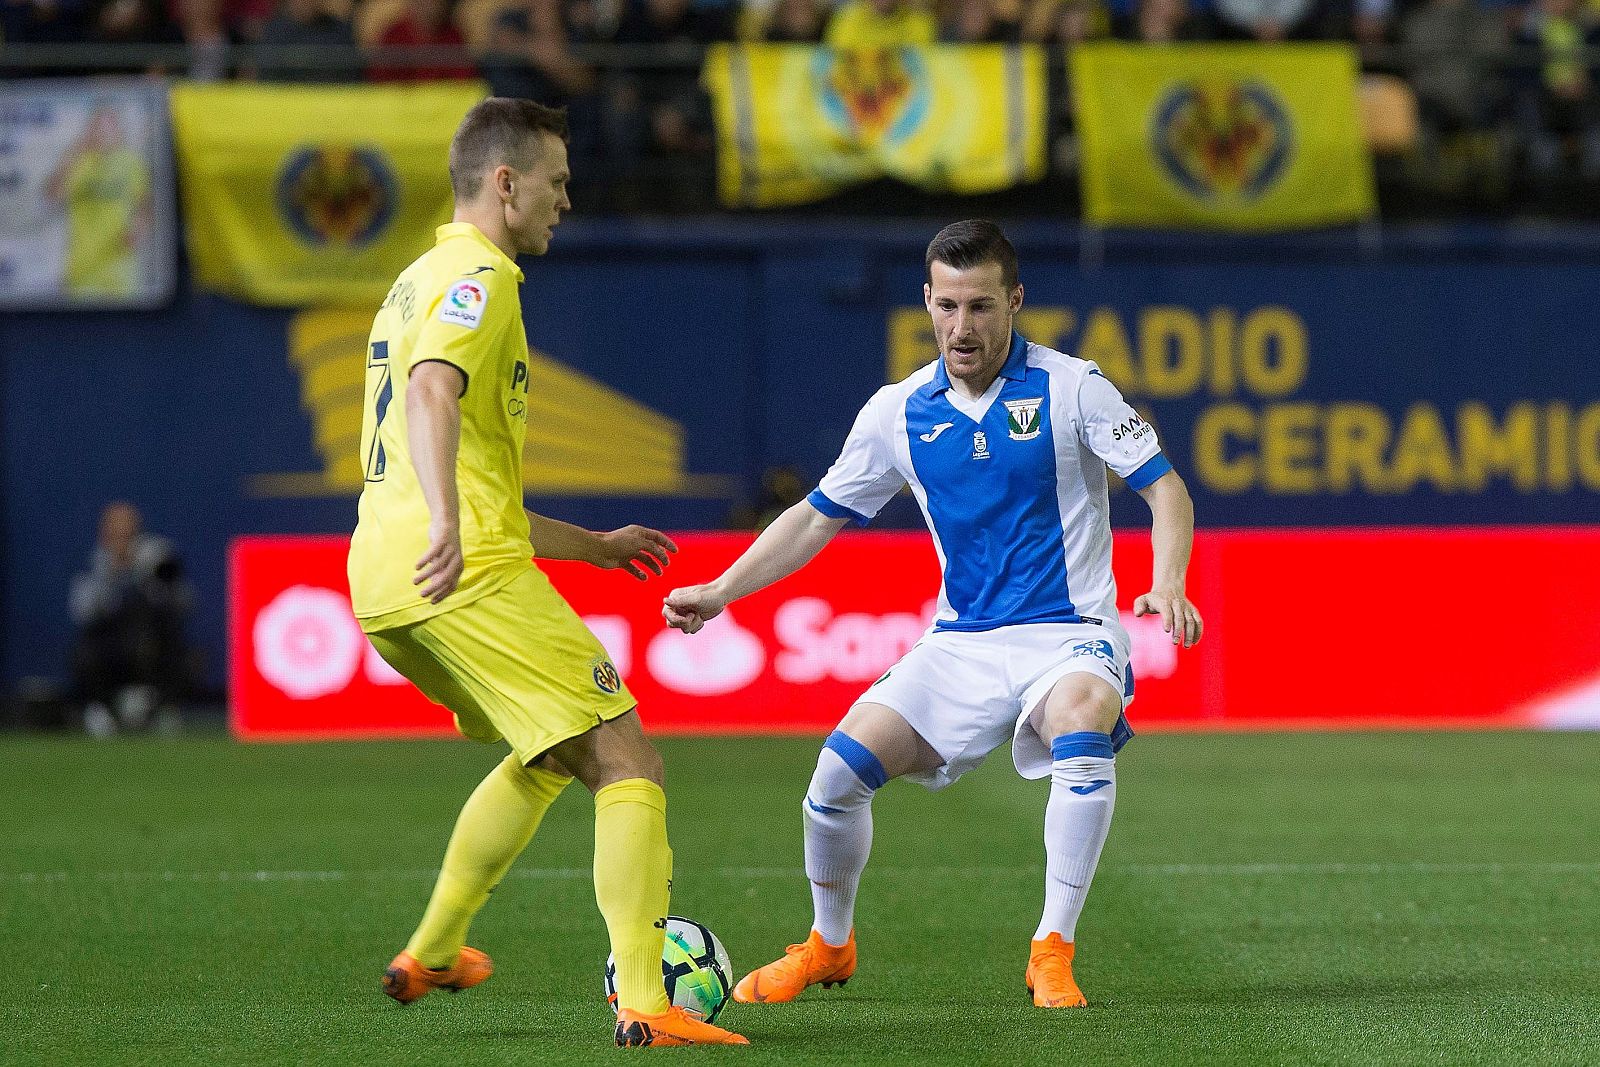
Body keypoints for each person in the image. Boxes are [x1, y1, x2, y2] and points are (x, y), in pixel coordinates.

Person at [664, 219, 1203, 1009]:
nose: (962, 327)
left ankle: (1052, 949)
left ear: (1015, 301)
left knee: (1085, 722)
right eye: (946, 306)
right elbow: (815, 517)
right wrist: (719, 590)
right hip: (961, 644)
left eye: (981, 306)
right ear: (926, 300)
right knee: (836, 776)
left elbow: (1166, 489)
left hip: (1070, 635)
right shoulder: (897, 411)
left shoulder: (1074, 386)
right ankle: (829, 944)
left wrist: (1170, 581)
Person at [347, 98, 747, 1048]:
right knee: (625, 756)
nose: (567, 201)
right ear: (506, 183)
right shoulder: (481, 277)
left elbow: (464, 465)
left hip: (385, 577)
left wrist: (597, 547)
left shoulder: (413, 280)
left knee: (549, 752)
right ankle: (649, 1000)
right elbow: (432, 391)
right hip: (461, 567)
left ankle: (434, 948)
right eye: (559, 184)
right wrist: (448, 520)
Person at [69, 501, 192, 735]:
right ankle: (102, 710)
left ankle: (162, 709)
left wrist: (150, 576)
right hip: (110, 648)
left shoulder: (156, 556)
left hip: (154, 643)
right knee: (83, 654)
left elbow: (184, 603)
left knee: (184, 655)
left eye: (128, 533)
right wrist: (111, 575)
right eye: (116, 534)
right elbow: (82, 612)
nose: (123, 540)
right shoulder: (97, 564)